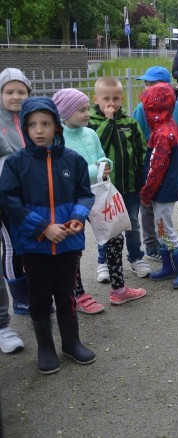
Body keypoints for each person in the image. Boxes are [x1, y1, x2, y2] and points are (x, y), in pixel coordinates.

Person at [0, 97, 96, 374]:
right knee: (40, 297)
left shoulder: (73, 160)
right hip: (35, 245)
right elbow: (9, 201)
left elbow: (84, 194)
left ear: (56, 125)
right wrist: (43, 228)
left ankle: (71, 343)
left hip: (68, 242)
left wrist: (77, 218)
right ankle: (46, 347)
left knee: (65, 293)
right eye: (32, 125)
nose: (39, 130)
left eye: (45, 123)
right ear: (25, 129)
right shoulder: (16, 164)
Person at [53, 88, 146, 307]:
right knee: (74, 245)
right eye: (81, 110)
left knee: (115, 236)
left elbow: (101, 156)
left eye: (86, 109)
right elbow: (66, 172)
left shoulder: (90, 133)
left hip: (99, 194)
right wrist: (95, 170)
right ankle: (78, 294)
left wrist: (107, 165)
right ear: (65, 112)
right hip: (71, 199)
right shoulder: (57, 139)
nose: (87, 114)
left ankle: (119, 289)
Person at [89, 76, 150, 280]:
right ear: (95, 99)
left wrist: (143, 178)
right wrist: (109, 121)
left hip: (130, 185)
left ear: (122, 98)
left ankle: (136, 258)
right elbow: (98, 146)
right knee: (106, 224)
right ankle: (103, 262)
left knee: (132, 222)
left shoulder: (130, 123)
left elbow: (142, 152)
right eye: (106, 98)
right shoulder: (90, 123)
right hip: (104, 188)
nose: (111, 103)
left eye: (115, 98)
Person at [139, 82, 178, 288]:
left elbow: (156, 168)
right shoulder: (168, 127)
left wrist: (146, 192)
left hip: (162, 189)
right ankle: (168, 266)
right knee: (160, 227)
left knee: (164, 229)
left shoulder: (163, 134)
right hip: (166, 187)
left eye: (148, 109)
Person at [133, 66, 178, 260]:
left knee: (162, 224)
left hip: (158, 172)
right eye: (146, 84)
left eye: (152, 84)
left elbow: (157, 165)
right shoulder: (169, 113)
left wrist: (146, 190)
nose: (148, 89)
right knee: (157, 219)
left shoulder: (165, 128)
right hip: (163, 169)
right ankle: (161, 256)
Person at [0, 68, 33, 315]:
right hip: (5, 194)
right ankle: (20, 299)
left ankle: (31, 290)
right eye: (9, 91)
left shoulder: (32, 118)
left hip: (29, 192)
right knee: (11, 245)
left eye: (21, 91)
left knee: (27, 243)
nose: (15, 96)